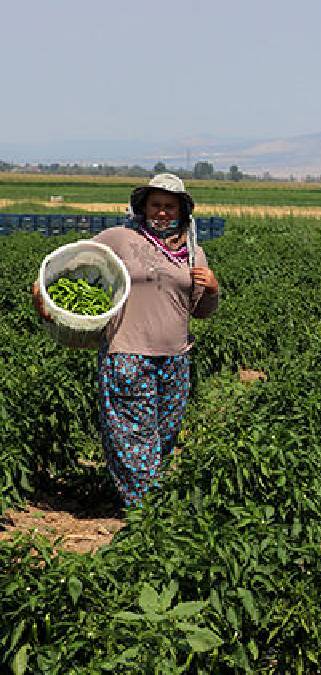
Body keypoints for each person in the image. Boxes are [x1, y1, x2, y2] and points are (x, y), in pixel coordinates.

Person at [32, 173, 220, 509]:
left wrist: (213, 288)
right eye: (156, 205)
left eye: (169, 206)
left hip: (175, 357)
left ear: (181, 210)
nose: (162, 212)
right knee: (132, 435)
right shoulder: (120, 238)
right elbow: (77, 261)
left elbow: (201, 311)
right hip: (127, 352)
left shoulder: (194, 253)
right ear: (143, 206)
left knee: (163, 436)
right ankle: (145, 512)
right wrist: (44, 292)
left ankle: (149, 503)